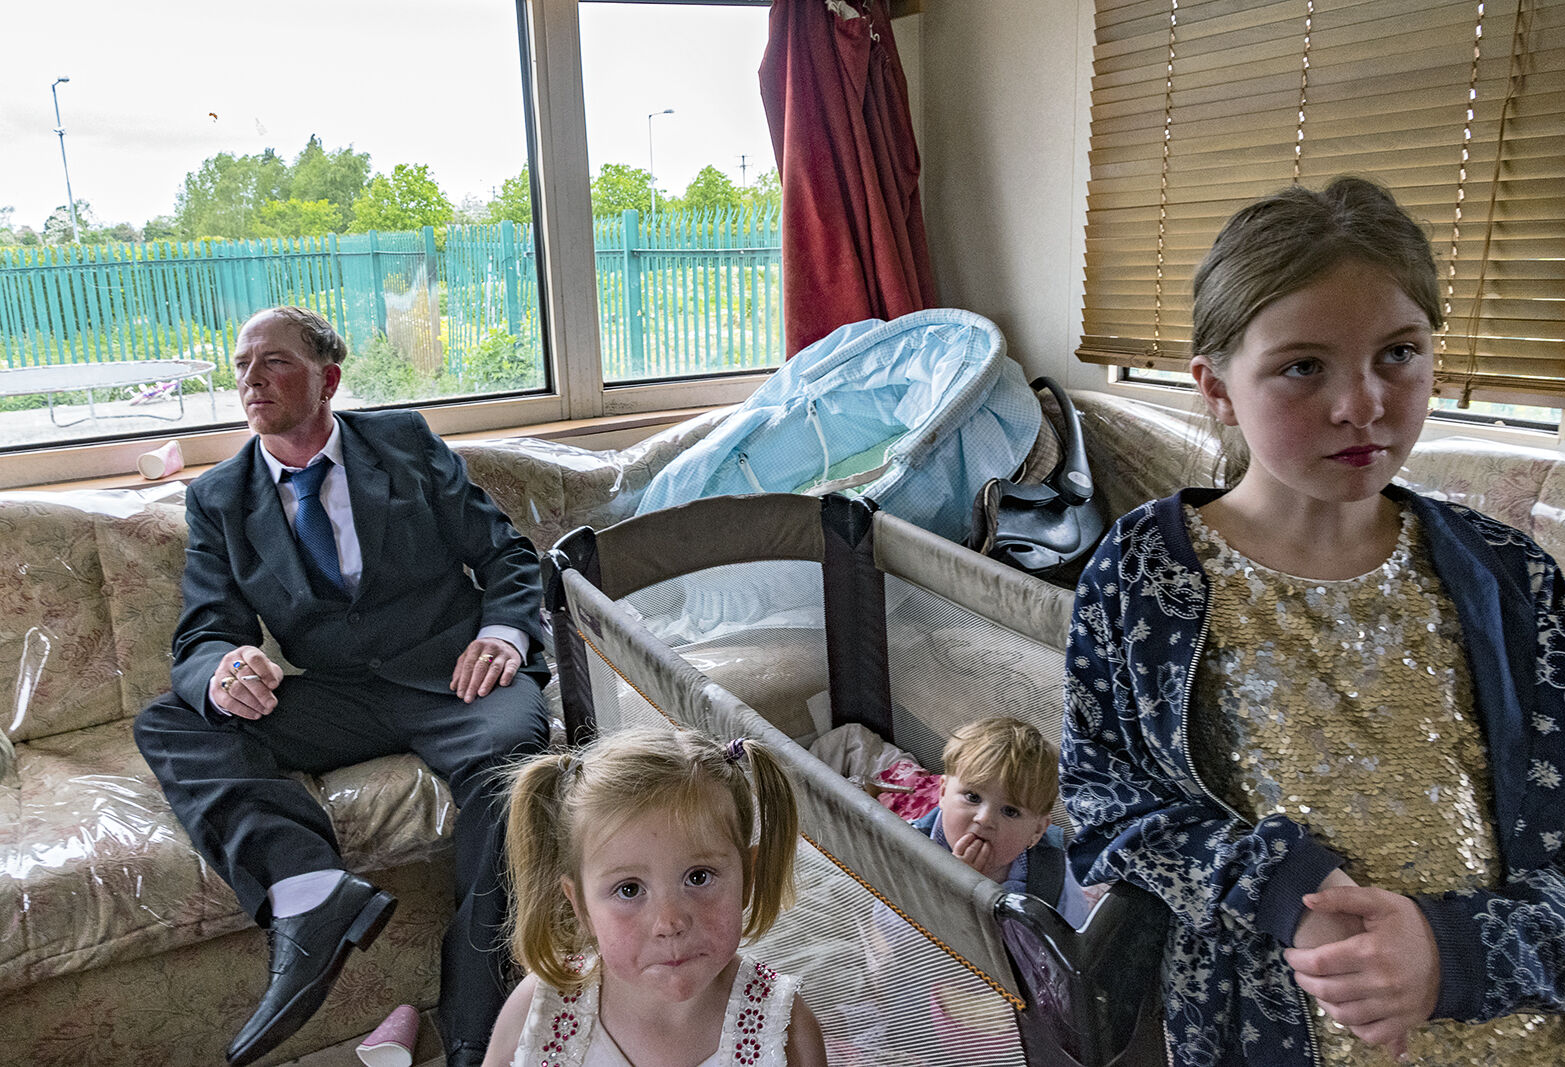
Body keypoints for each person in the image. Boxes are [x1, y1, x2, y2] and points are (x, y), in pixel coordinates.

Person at [1059, 176, 1565, 1066]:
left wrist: (1453, 953)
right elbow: (1107, 798)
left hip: (1522, 1029)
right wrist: (1279, 885)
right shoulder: (1147, 573)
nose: (1362, 403)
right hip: (1265, 1036)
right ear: (1218, 386)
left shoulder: (1513, 581)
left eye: (1398, 353)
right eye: (1304, 365)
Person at [133, 306, 550, 1067]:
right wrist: (226, 668)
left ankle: (473, 1028)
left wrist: (504, 634)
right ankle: (306, 891)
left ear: (328, 378)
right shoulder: (220, 496)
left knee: (512, 761)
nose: (251, 380)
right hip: (338, 694)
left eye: (275, 362)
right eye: (241, 365)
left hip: (453, 674)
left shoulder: (405, 443)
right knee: (172, 721)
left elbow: (506, 555)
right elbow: (204, 631)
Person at [484, 725, 829, 1067]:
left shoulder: (788, 1033)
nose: (670, 922)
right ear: (581, 906)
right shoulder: (537, 1010)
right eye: (629, 889)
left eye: (698, 877)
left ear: (748, 878)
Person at [910, 717, 1097, 928]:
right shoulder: (910, 844)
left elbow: (1073, 943)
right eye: (972, 797)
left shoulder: (1052, 873)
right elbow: (887, 930)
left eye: (1010, 811)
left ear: (1037, 831)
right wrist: (950, 889)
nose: (984, 819)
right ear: (942, 792)